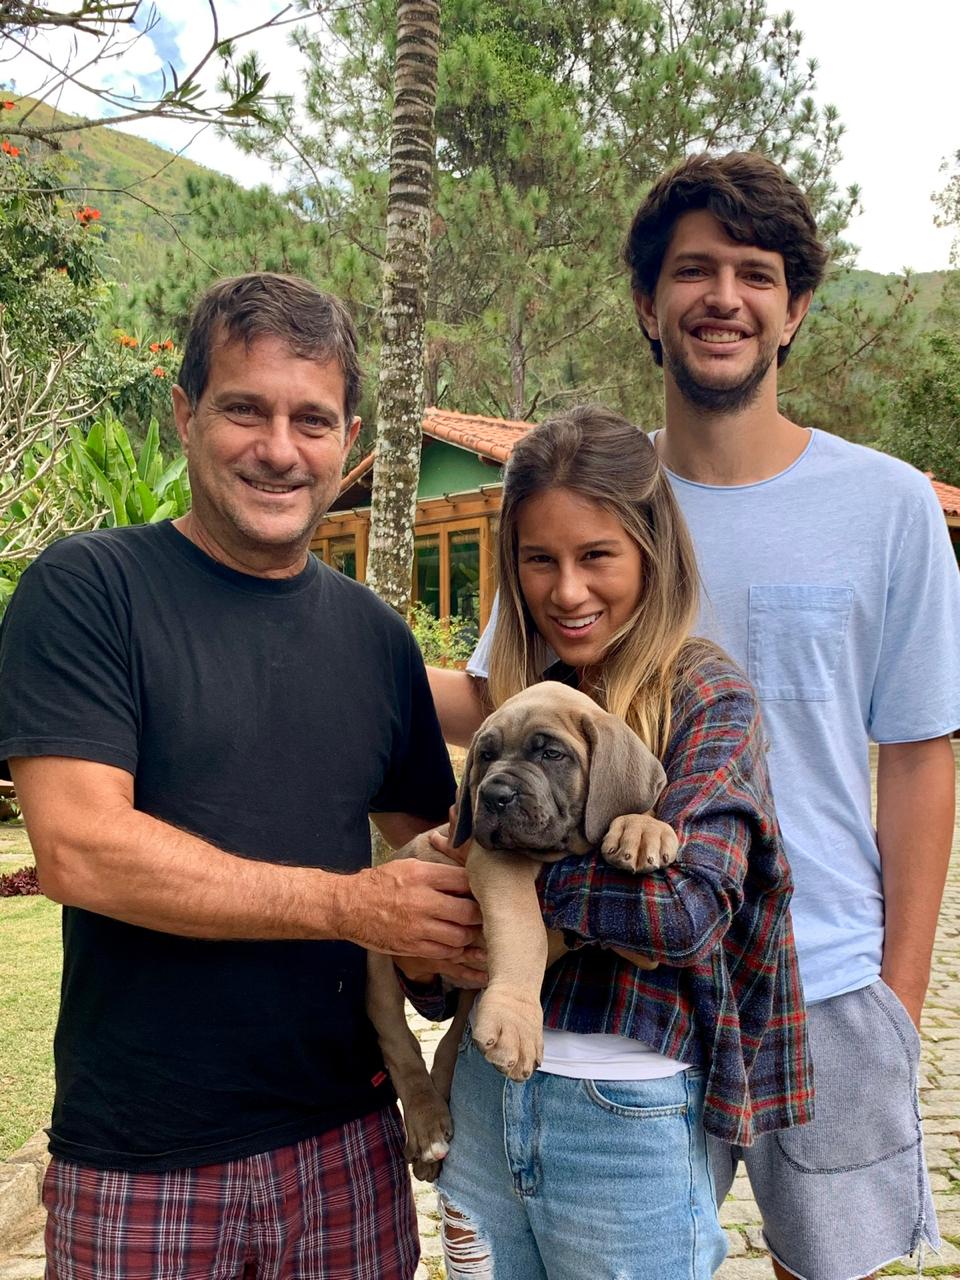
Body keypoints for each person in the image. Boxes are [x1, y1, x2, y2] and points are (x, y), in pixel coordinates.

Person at [454, 153, 960, 1280]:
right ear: (648, 303)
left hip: (823, 974)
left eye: (756, 273)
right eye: (692, 270)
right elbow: (499, 696)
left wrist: (900, 993)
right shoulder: (591, 502)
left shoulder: (887, 504)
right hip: (631, 992)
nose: (723, 297)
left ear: (796, 309)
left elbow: (920, 755)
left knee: (826, 1264)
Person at [0, 272, 483, 1280]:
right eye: (244, 410)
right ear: (185, 415)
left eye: (312, 420)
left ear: (348, 439)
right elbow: (82, 849)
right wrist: (352, 905)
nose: (279, 448)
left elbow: (441, 859)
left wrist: (442, 953)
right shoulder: (90, 592)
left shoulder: (374, 638)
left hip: (350, 1146)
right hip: (143, 1157)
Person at [407, 404, 812, 1280]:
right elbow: (441, 978)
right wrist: (435, 929)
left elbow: (685, 913)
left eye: (597, 556)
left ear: (652, 553)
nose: (567, 591)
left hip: (622, 1112)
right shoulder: (531, 702)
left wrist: (502, 873)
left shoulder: (705, 697)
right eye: (539, 560)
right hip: (481, 1096)